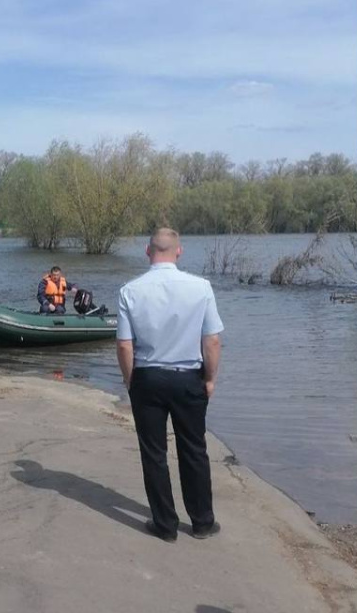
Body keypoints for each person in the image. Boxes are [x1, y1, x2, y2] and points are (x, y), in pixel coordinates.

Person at [116, 228, 224, 542]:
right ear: (179, 252)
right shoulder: (201, 287)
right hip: (188, 375)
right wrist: (210, 379)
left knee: (154, 452)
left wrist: (129, 379)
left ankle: (165, 524)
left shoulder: (129, 290)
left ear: (148, 251)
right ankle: (202, 521)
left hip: (148, 377)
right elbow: (213, 341)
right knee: (194, 448)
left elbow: (124, 346)